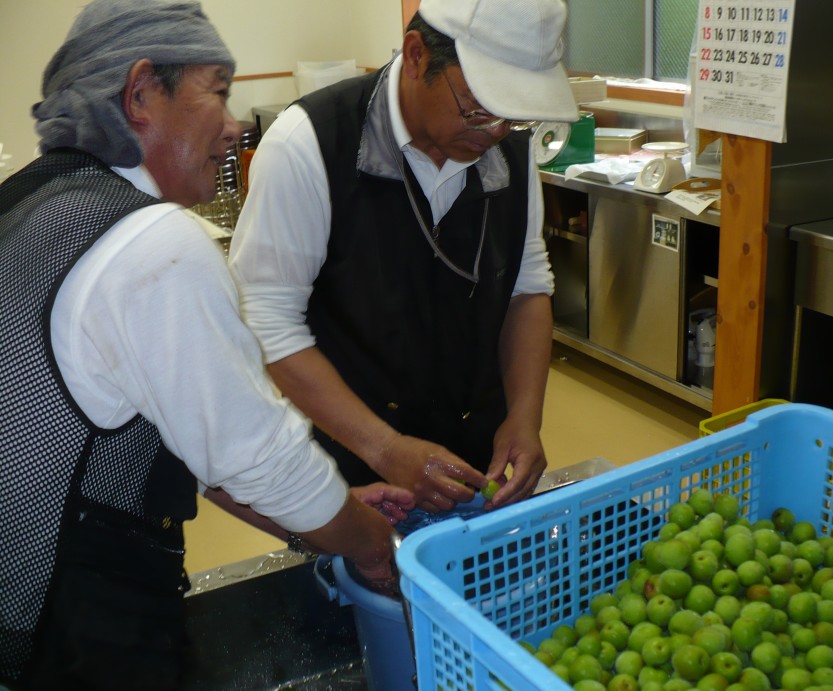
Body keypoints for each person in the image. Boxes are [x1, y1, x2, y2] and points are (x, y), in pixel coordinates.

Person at [0, 1, 413, 688]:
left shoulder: (28, 203)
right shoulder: (152, 243)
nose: (232, 124)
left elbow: (204, 440)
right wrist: (375, 552)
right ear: (140, 95)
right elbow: (260, 456)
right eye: (217, 90)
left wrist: (331, 515)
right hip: (66, 636)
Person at [229, 0, 579, 514]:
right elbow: (267, 322)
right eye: (479, 108)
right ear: (416, 55)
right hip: (350, 453)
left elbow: (526, 286)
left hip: (473, 448)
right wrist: (385, 448)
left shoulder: (510, 148)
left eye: (514, 112)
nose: (496, 131)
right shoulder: (309, 144)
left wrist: (524, 417)